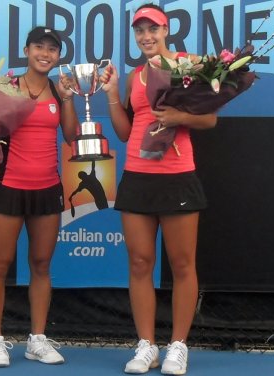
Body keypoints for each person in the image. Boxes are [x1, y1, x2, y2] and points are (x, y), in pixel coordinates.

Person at [100, 4, 217, 375]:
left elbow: (210, 118)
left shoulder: (189, 64)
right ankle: (146, 346)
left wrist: (178, 117)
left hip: (178, 174)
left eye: (153, 29)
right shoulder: (135, 77)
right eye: (140, 31)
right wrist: (111, 93)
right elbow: (123, 132)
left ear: (166, 30)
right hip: (136, 175)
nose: (146, 37)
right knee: (139, 264)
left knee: (182, 265)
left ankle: (178, 347)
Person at [0, 26, 79, 367]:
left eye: (52, 49)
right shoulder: (6, 88)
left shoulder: (57, 90)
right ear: (26, 50)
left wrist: (67, 99)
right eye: (39, 46)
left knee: (41, 265)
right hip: (9, 187)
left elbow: (70, 135)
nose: (45, 53)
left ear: (57, 57)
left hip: (47, 189)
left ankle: (37, 340)